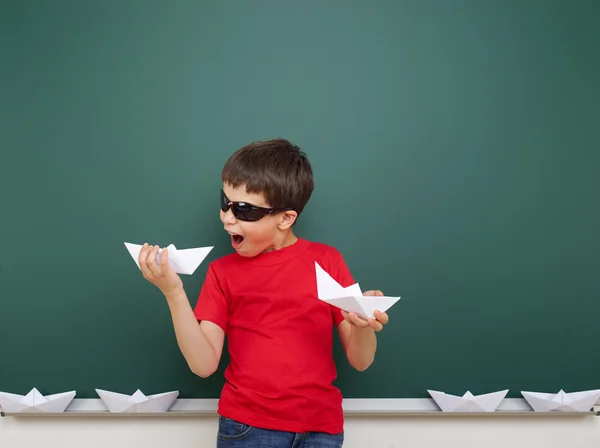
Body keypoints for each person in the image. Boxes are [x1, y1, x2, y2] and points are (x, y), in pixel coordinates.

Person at [137, 139, 390, 447]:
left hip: (322, 429)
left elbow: (361, 360)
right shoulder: (222, 273)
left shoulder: (327, 262)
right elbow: (203, 365)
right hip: (247, 428)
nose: (228, 218)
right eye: (225, 202)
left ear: (286, 218)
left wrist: (364, 325)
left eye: (245, 210)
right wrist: (174, 292)